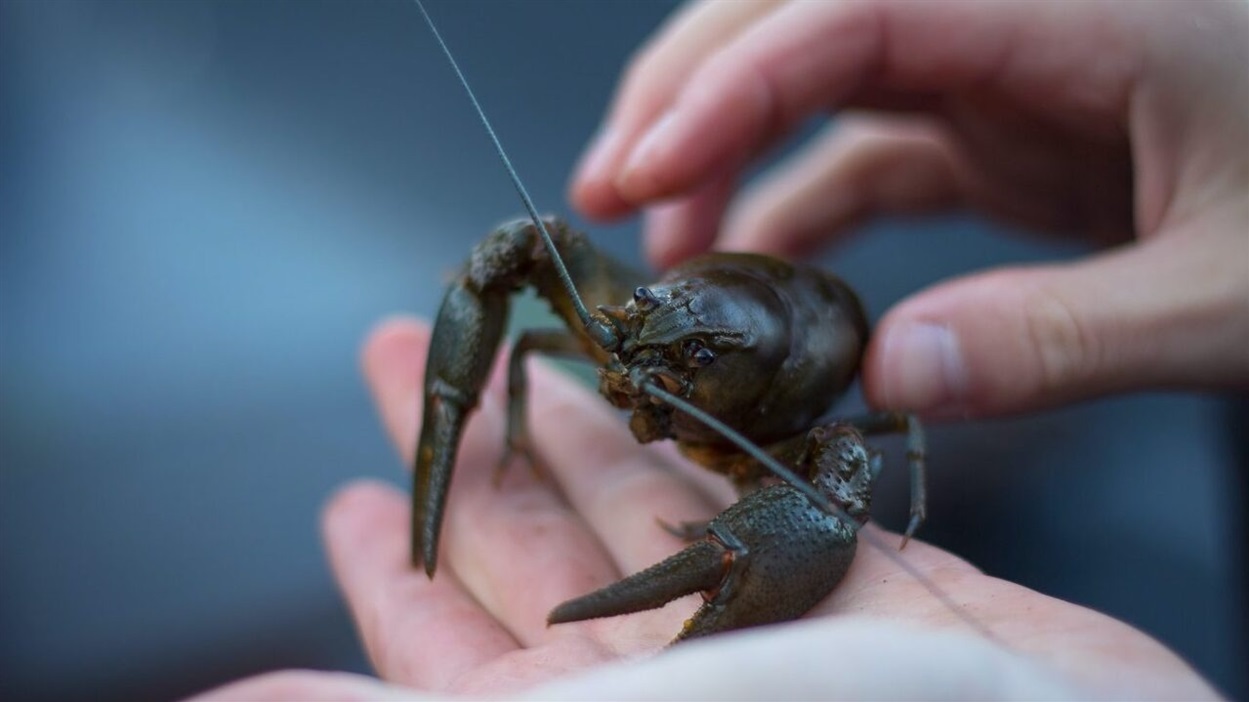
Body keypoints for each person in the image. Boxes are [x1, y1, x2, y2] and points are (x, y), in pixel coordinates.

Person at [192, 1, 1245, 699]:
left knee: (835, 482)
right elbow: (520, 259)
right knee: (526, 243)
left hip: (788, 383)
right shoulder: (643, 319)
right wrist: (502, 402)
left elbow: (852, 465)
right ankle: (481, 436)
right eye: (642, 325)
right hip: (727, 303)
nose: (630, 371)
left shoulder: (804, 429)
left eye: (678, 362)